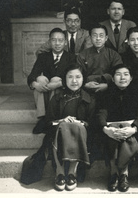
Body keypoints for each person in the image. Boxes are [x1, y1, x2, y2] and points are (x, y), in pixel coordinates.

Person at [43, 63, 96, 191]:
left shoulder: (89, 99)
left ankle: (72, 172)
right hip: (59, 134)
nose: (74, 81)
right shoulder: (57, 97)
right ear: (64, 79)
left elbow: (93, 123)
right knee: (64, 126)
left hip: (80, 135)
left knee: (76, 127)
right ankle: (59, 172)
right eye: (70, 77)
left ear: (83, 79)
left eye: (78, 77)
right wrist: (62, 121)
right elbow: (47, 122)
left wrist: (79, 122)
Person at [97, 64, 138, 192]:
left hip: (131, 131)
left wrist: (134, 128)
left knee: (125, 134)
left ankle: (124, 174)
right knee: (114, 134)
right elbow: (102, 113)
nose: (122, 77)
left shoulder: (136, 93)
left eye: (126, 74)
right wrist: (105, 129)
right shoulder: (106, 94)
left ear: (131, 78)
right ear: (113, 79)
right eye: (118, 74)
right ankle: (114, 173)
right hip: (111, 131)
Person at [27, 27, 76, 134]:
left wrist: (59, 83)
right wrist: (35, 84)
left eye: (60, 40)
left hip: (62, 92)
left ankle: (49, 117)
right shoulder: (43, 57)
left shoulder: (72, 58)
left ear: (65, 42)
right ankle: (42, 117)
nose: (57, 43)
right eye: (54, 40)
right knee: (40, 79)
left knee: (56, 79)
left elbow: (74, 78)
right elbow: (31, 76)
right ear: (49, 42)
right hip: (46, 91)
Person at [77, 24, 123, 94]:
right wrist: (85, 85)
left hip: (109, 90)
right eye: (95, 35)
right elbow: (77, 74)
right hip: (87, 90)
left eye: (101, 35)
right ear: (90, 38)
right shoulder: (82, 55)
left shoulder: (114, 55)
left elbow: (119, 74)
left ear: (106, 38)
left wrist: (107, 85)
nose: (98, 38)